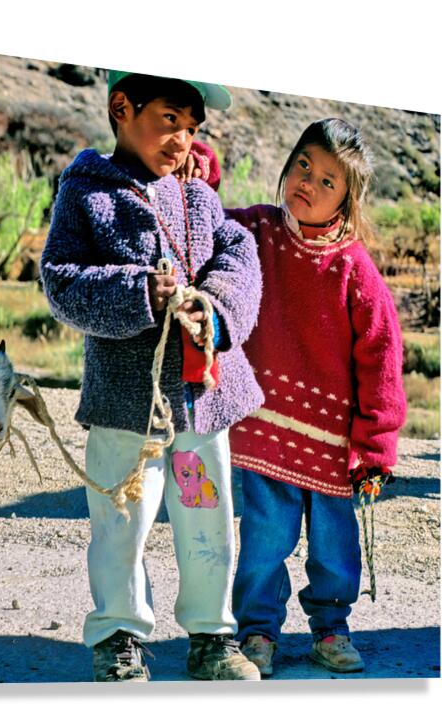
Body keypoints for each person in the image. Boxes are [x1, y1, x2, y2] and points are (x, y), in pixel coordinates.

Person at [40, 70, 264, 682]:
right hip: (126, 406)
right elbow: (61, 280)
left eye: (191, 128)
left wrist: (211, 308)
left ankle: (211, 635)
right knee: (122, 520)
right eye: (170, 121)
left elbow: (237, 252)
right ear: (121, 108)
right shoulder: (86, 195)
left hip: (198, 405)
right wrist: (140, 292)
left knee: (205, 515)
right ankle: (119, 633)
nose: (182, 140)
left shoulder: (196, 196)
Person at [184, 118, 407, 676]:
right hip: (265, 427)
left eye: (328, 180)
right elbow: (205, 225)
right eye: (304, 165)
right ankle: (257, 632)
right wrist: (202, 169)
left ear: (347, 202)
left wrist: (375, 445)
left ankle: (330, 628)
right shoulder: (257, 232)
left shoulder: (354, 270)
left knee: (334, 546)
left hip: (334, 443)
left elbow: (381, 357)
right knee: (264, 539)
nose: (309, 182)